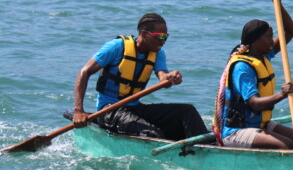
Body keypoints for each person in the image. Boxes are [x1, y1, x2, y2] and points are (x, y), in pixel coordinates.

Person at [72, 13, 209, 140]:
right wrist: (78, 111)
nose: (163, 41)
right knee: (152, 134)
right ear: (144, 34)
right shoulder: (116, 47)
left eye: (165, 37)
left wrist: (171, 78)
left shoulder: (158, 53)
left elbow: (163, 77)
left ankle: (207, 148)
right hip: (108, 110)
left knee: (187, 111)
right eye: (160, 36)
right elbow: (84, 72)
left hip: (135, 108)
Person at [213, 0, 293, 150]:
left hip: (260, 123)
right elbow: (255, 103)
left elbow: (289, 31)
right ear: (255, 41)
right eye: (268, 38)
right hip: (237, 130)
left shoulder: (263, 55)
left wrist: (278, 3)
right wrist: (282, 94)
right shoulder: (242, 67)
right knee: (286, 146)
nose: (271, 41)